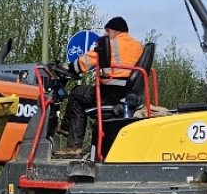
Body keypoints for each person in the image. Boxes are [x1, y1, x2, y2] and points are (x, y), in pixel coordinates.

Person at [59, 16, 144, 156]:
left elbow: (84, 63)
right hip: (131, 97)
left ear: (114, 31)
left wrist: (67, 68)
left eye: (107, 31)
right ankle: (67, 130)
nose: (104, 34)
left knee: (76, 93)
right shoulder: (138, 46)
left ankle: (72, 143)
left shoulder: (108, 43)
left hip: (109, 95)